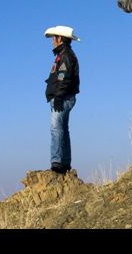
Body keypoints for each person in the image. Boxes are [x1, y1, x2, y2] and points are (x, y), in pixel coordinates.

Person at [44, 25, 80, 174]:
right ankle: (64, 163)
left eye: (54, 37)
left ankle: (57, 163)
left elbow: (64, 78)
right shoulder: (64, 54)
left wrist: (58, 96)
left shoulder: (65, 55)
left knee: (56, 129)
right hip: (64, 97)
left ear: (60, 39)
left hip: (63, 98)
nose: (53, 40)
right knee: (63, 130)